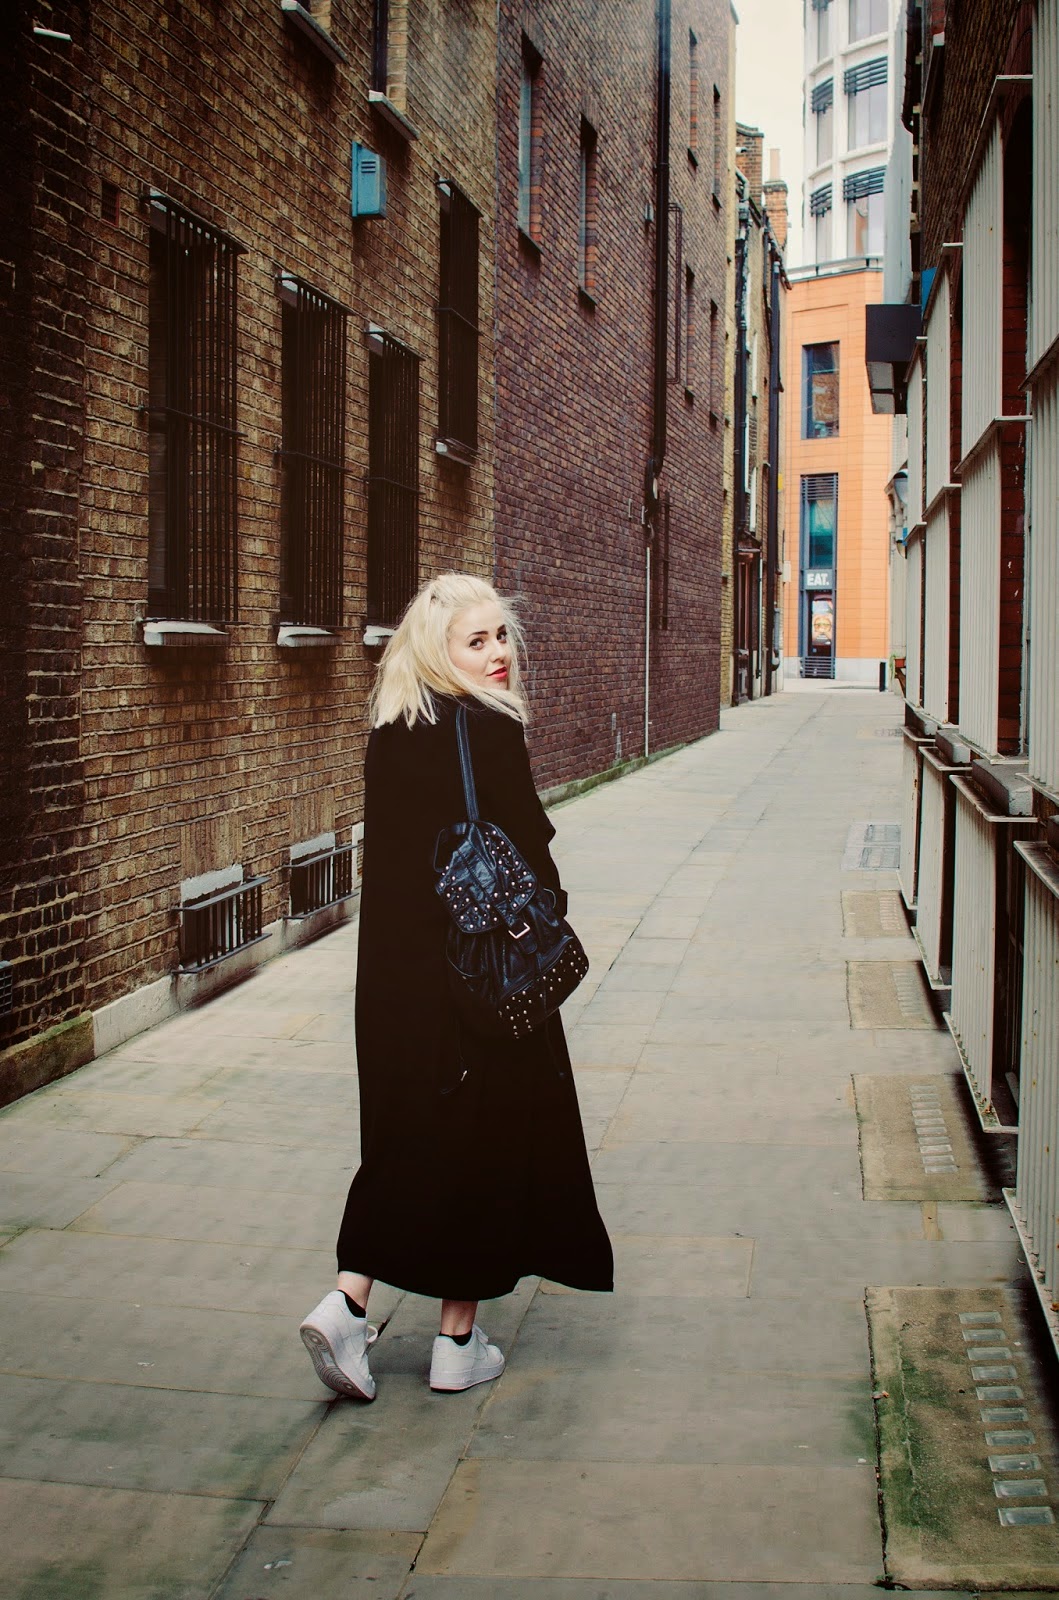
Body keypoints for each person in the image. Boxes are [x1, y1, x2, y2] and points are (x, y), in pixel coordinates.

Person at [299, 573, 613, 1398]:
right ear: (438, 652)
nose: (498, 653)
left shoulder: (391, 729)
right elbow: (531, 850)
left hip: (393, 984)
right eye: (476, 641)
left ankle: (346, 1305)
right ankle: (455, 1343)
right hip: (479, 976)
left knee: (403, 1142)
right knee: (486, 1145)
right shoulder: (488, 728)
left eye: (501, 635)